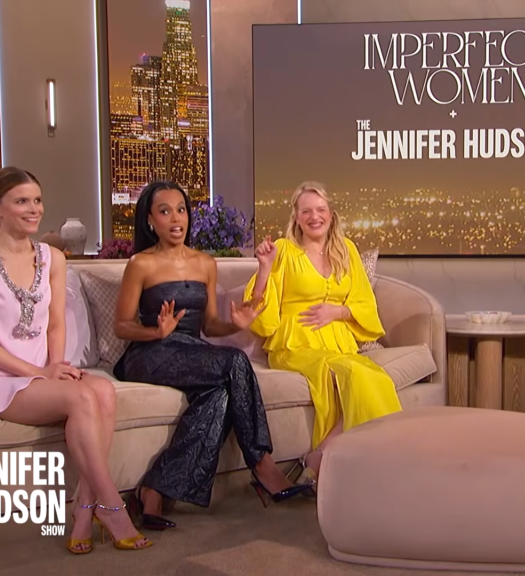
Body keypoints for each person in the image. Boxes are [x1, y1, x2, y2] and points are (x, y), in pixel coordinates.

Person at [0, 167, 150, 553]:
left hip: (41, 372)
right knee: (83, 396)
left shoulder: (52, 258)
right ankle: (112, 506)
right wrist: (38, 372)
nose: (34, 209)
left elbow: (56, 324)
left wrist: (54, 367)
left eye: (37, 200)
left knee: (104, 392)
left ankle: (84, 510)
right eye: (21, 201)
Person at [113, 181, 312, 530]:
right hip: (148, 354)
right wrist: (156, 332)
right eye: (165, 211)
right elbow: (121, 325)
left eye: (181, 209)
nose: (176, 218)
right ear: (150, 221)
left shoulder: (205, 263)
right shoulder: (140, 264)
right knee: (235, 361)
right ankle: (262, 464)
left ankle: (154, 490)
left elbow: (209, 326)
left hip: (190, 350)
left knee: (218, 396)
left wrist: (237, 324)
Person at [247, 181, 402, 484]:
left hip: (339, 345)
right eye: (306, 211)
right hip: (296, 344)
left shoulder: (347, 250)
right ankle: (385, 463)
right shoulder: (284, 250)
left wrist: (338, 312)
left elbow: (364, 304)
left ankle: (322, 456)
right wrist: (264, 268)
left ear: (331, 214)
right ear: (296, 216)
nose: (314, 217)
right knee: (358, 374)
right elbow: (259, 313)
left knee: (372, 377)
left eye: (320, 210)